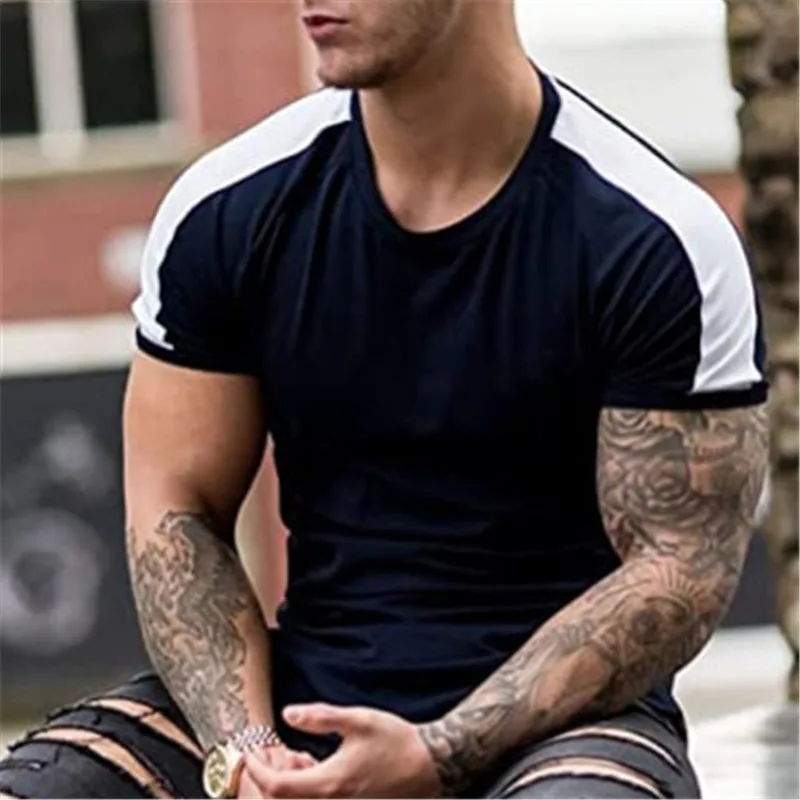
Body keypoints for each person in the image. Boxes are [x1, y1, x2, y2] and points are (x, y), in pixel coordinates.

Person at [0, 1, 769, 798]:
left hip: (558, 730)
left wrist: (440, 753)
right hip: (299, 702)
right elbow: (177, 508)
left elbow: (678, 568)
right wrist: (249, 752)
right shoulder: (228, 208)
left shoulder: (653, 235)